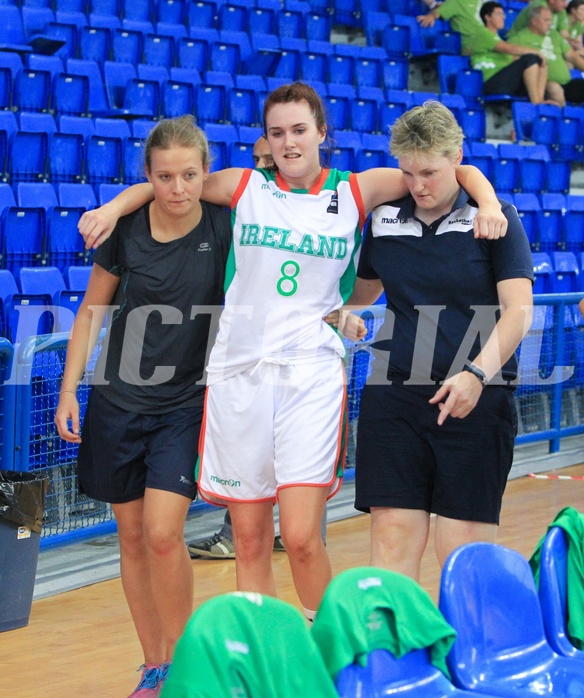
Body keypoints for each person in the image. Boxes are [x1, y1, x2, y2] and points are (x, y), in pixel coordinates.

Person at [78, 82, 507, 621]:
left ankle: (339, 646)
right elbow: (171, 183)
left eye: (300, 130)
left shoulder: (356, 189)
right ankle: (274, 665)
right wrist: (113, 207)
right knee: (251, 540)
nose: (289, 142)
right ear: (266, 139)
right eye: (277, 133)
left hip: (309, 373)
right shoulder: (245, 186)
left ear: (321, 133)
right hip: (239, 374)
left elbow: (444, 167)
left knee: (302, 536)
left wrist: (487, 200)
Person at [54, 116, 232, 698]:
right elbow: (88, 314)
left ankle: (184, 668)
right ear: (148, 177)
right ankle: (153, 665)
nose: (177, 188)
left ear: (205, 173)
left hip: (185, 402)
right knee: (130, 536)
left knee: (162, 533)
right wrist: (68, 389)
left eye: (188, 174)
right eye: (163, 176)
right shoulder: (126, 230)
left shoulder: (223, 222)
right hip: (117, 400)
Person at [344, 101, 534, 583]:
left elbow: (520, 312)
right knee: (391, 536)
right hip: (394, 399)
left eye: (429, 171)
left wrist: (475, 375)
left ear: (457, 158)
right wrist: (342, 313)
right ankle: (391, 656)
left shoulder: (495, 219)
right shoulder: (384, 221)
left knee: (463, 549)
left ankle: (473, 658)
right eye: (407, 173)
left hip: (476, 401)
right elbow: (361, 292)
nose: (418, 185)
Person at [186, 134, 289, 560]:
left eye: (270, 159)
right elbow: (167, 183)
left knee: (291, 456)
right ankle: (239, 532)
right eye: (257, 158)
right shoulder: (245, 201)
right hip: (245, 351)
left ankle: (301, 534)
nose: (262, 165)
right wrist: (114, 207)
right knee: (251, 452)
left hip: (295, 358)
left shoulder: (317, 206)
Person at [469, 2, 558, 104]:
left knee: (540, 61)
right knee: (531, 58)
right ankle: (536, 102)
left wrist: (539, 57)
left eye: (503, 14)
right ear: (487, 17)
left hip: (505, 82)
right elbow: (509, 48)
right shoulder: (484, 34)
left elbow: (513, 58)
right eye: (499, 14)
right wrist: (536, 52)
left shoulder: (499, 39)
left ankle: (540, 99)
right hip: (491, 83)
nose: (503, 17)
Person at [509, 4, 584, 105]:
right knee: (554, 88)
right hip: (543, 86)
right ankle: (564, 119)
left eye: (550, 20)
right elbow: (515, 66)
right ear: (534, 21)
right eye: (546, 20)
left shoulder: (554, 35)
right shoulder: (518, 39)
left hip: (567, 83)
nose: (550, 24)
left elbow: (572, 56)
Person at [416, 0, 485, 52]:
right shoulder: (456, 2)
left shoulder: (481, 3)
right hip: (471, 47)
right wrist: (431, 16)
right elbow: (438, 12)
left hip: (485, 42)